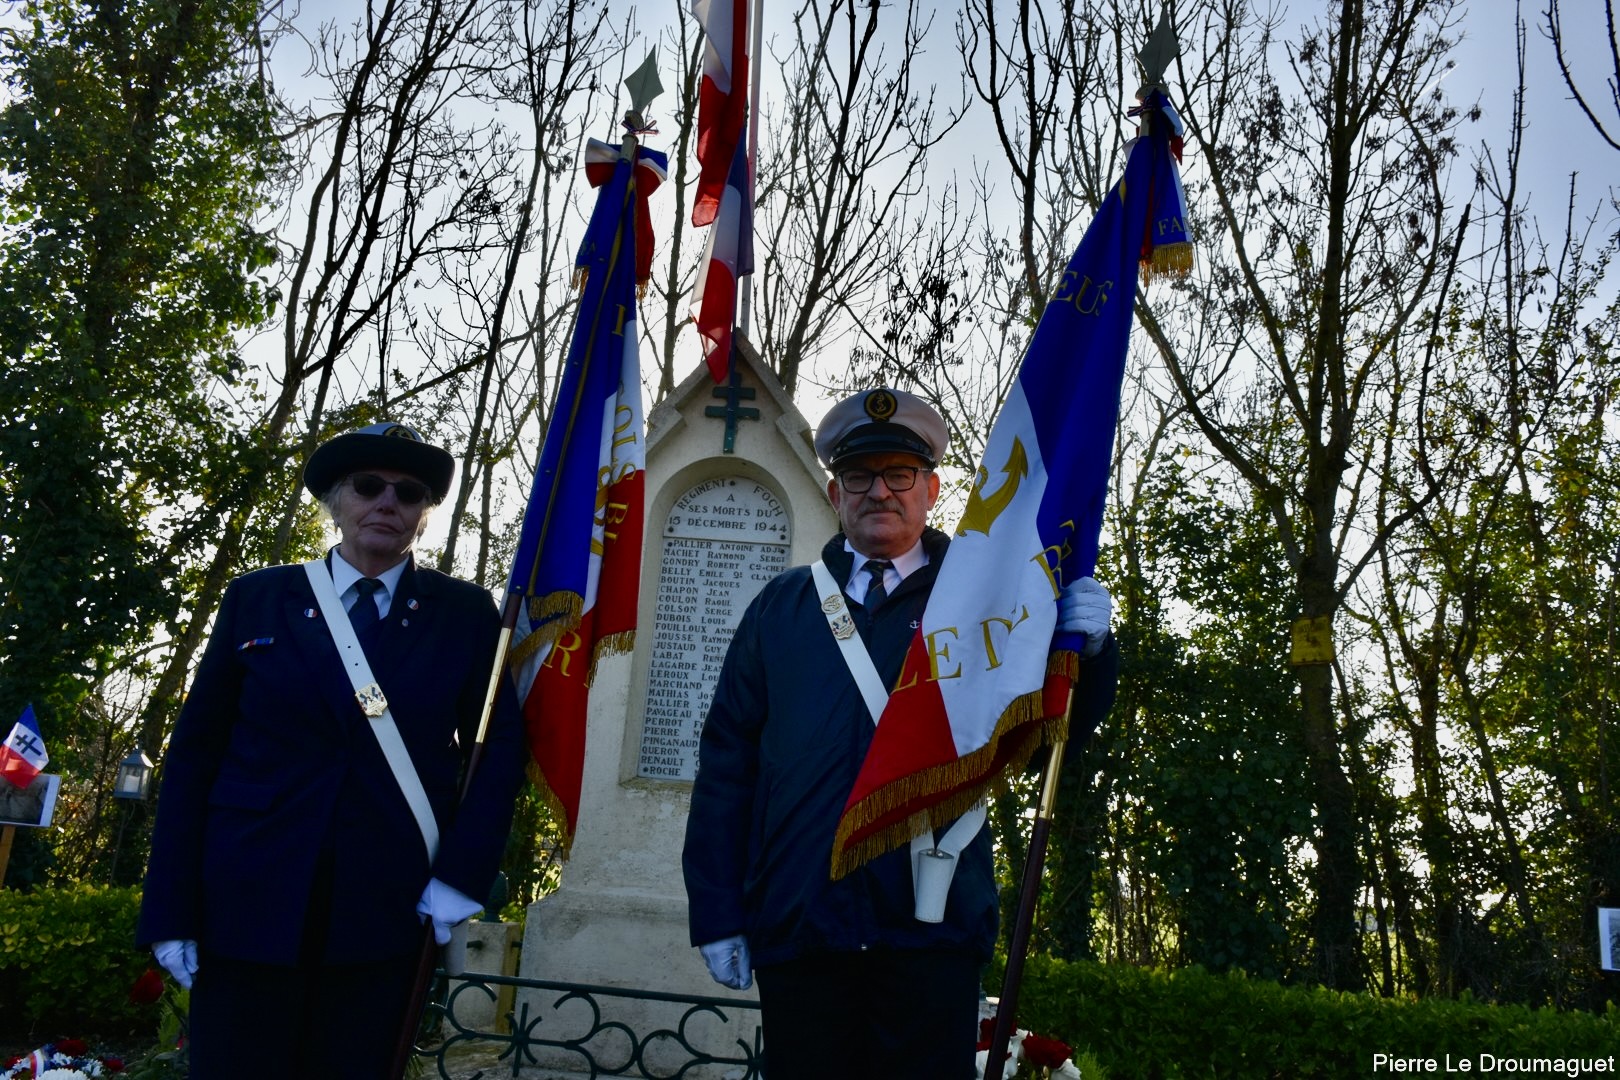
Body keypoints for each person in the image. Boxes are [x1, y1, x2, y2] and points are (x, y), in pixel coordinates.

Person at [681, 387, 1120, 1079]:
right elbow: (727, 767)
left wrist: (1090, 656)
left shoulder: (983, 602)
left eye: (899, 474)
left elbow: (1045, 737)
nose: (879, 491)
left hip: (931, 932)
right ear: (835, 491)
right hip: (801, 927)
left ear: (932, 489)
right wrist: (717, 911)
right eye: (860, 475)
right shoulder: (780, 609)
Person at [137, 421, 529, 1079]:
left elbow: (498, 755)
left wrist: (462, 879)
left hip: (384, 913)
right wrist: (170, 908)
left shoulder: (463, 615)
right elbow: (195, 758)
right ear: (336, 502)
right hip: (248, 903)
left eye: (407, 493)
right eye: (368, 486)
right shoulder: (259, 600)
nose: (387, 503)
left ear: (424, 517)